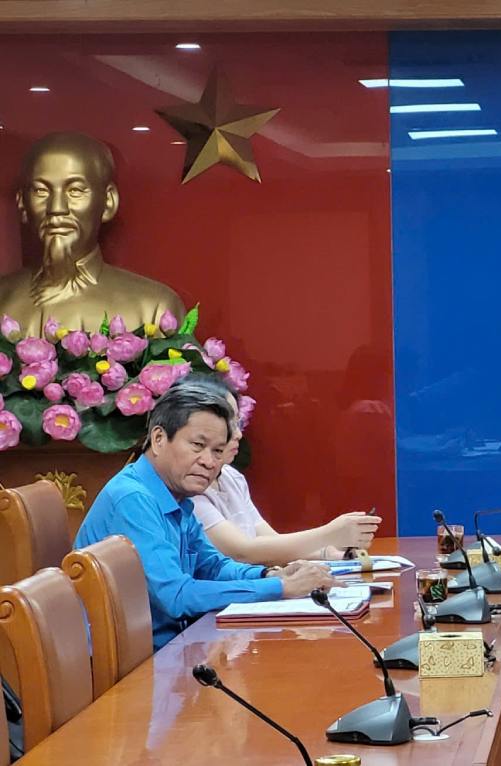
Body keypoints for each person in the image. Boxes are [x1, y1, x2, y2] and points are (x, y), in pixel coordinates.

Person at [75, 381, 337, 649]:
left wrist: (269, 576)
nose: (209, 462)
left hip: (171, 648)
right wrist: (282, 588)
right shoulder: (133, 498)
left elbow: (213, 567)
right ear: (159, 439)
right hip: (129, 666)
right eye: (197, 446)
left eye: (217, 451)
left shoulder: (177, 494)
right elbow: (176, 596)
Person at [0, 132, 184, 335]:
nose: (57, 208)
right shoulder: (3, 298)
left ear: (108, 201)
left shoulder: (154, 310)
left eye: (75, 191)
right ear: (22, 203)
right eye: (41, 191)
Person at [192, 382, 382, 566]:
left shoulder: (231, 477)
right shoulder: (191, 489)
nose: (238, 434)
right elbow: (244, 552)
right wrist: (330, 534)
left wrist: (328, 553)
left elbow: (271, 542)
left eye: (237, 423)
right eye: (228, 425)